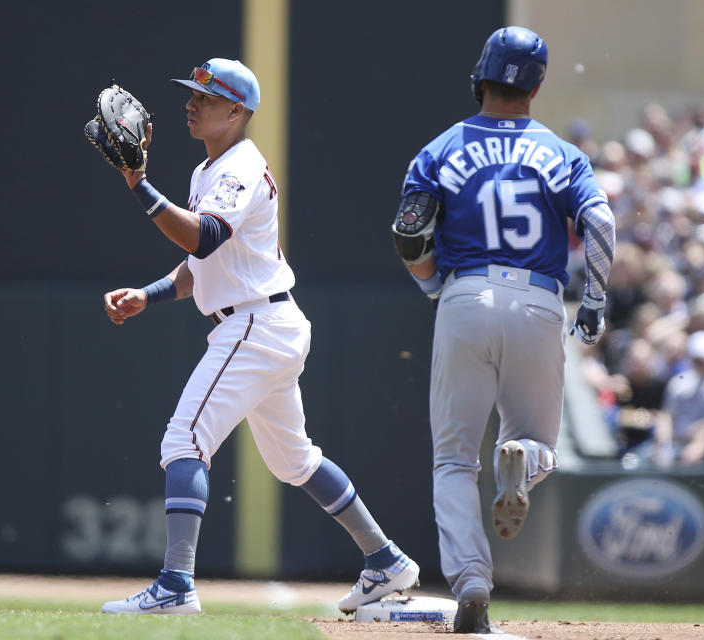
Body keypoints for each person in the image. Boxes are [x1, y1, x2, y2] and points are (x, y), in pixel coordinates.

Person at [99, 58, 418, 615]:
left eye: (206, 95)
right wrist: (147, 296)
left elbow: (203, 239)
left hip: (253, 325)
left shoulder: (239, 168)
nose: (191, 103)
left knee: (183, 442)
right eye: (191, 94)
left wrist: (139, 184)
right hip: (265, 321)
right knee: (295, 461)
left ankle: (175, 586)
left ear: (237, 110)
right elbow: (202, 264)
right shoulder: (210, 170)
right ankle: (385, 560)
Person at [391, 28, 616, 633]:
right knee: (540, 447)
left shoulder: (438, 149)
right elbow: (599, 221)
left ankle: (470, 584)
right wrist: (592, 298)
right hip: (539, 301)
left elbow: (408, 234)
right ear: (537, 85)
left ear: (480, 77)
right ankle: (522, 458)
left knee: (452, 461)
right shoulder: (563, 153)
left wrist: (435, 285)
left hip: (464, 297)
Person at [646, 330, 704, 466]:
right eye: (697, 360)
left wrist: (699, 446)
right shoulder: (678, 384)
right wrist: (663, 446)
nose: (701, 364)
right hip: (676, 445)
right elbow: (666, 416)